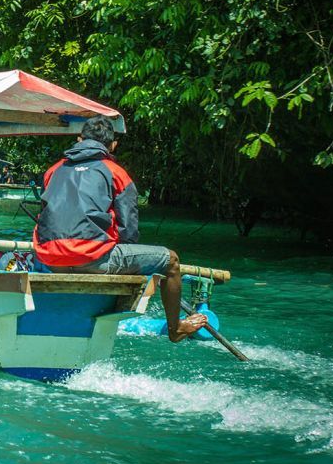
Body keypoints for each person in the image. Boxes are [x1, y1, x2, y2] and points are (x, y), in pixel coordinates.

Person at [32, 116, 207, 342]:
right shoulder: (116, 172)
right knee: (171, 261)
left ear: (79, 139)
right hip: (93, 259)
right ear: (113, 145)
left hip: (49, 259)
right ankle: (176, 328)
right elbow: (129, 230)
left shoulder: (53, 170)